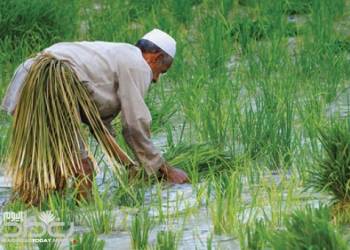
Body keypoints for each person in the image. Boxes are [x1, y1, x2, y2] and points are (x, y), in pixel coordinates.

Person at [1, 29, 189, 202]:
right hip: (53, 80)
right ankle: (84, 223)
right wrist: (165, 169)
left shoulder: (111, 55)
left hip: (27, 73)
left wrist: (129, 166)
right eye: (161, 72)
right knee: (83, 170)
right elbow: (134, 125)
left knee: (46, 167)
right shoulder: (138, 65)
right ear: (156, 58)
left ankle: (25, 211)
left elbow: (100, 128)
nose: (155, 79)